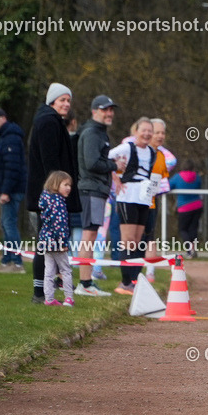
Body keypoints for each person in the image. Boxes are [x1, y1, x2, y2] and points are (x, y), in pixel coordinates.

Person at [26, 83, 81, 303]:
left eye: (68, 100)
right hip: (51, 196)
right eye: (62, 100)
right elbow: (51, 162)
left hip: (53, 193)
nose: (66, 104)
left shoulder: (52, 121)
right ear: (52, 101)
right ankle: (40, 291)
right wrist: (59, 191)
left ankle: (50, 285)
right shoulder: (48, 122)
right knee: (47, 242)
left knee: (53, 242)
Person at [76, 95, 124, 296]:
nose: (109, 113)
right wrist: (115, 165)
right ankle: (85, 284)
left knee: (91, 234)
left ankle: (86, 283)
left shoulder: (99, 133)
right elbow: (92, 163)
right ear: (94, 111)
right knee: (89, 235)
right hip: (91, 189)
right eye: (105, 109)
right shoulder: (93, 133)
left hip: (96, 189)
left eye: (111, 109)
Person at [107, 117, 157, 295]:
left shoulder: (152, 152)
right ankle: (125, 282)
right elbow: (107, 157)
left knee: (138, 240)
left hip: (144, 198)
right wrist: (116, 178)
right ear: (135, 131)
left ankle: (135, 280)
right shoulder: (127, 147)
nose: (147, 134)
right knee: (127, 240)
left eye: (149, 131)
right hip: (127, 196)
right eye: (143, 130)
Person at [0, 108, 27, 272]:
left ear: (3, 118)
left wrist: (6, 191)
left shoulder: (10, 139)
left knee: (9, 224)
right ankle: (7, 260)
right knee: (6, 223)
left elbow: (11, 168)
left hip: (11, 190)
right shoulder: (6, 137)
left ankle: (16, 262)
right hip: (7, 189)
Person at [142, 118, 175, 281]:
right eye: (157, 132)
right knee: (134, 238)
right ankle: (129, 275)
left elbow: (162, 178)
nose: (160, 136)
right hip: (136, 202)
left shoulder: (161, 155)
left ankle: (150, 272)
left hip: (153, 202)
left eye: (163, 133)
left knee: (150, 237)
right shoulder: (141, 152)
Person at [38, 170, 75, 307]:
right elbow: (60, 224)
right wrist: (63, 242)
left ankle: (48, 298)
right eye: (65, 184)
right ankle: (69, 298)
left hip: (46, 241)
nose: (68, 188)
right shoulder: (58, 202)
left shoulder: (46, 200)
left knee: (49, 270)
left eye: (69, 185)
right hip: (57, 242)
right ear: (55, 184)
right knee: (65, 270)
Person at [169, 160, 203, 258]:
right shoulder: (197, 177)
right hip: (197, 206)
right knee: (193, 228)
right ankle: (193, 249)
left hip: (184, 207)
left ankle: (189, 249)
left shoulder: (177, 177)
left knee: (183, 229)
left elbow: (168, 186)